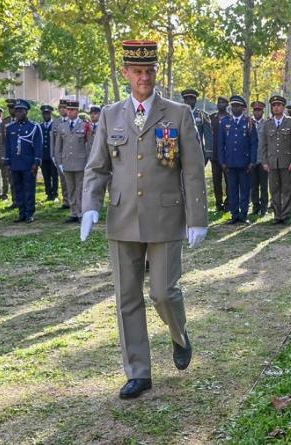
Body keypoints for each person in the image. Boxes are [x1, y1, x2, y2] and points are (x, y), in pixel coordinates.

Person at [80, 40, 208, 400]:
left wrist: (197, 216)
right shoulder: (110, 115)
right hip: (122, 217)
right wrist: (90, 204)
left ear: (156, 72)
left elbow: (194, 170)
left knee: (164, 293)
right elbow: (97, 167)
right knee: (127, 298)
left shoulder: (178, 113)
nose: (144, 78)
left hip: (166, 216)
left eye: (149, 71)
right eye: (137, 72)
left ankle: (180, 335)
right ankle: (138, 371)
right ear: (126, 74)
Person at [259, 95, 291, 225]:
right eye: (274, 105)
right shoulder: (267, 124)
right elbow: (263, 145)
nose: (276, 107)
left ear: (283, 107)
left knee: (287, 189)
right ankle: (277, 215)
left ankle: (286, 215)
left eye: (278, 105)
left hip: (286, 162)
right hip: (272, 163)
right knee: (274, 190)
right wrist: (264, 162)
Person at [219, 95, 258, 224]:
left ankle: (243, 214)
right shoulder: (225, 122)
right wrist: (222, 161)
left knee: (245, 190)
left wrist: (252, 161)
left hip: (245, 163)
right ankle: (234, 215)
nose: (235, 108)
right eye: (233, 106)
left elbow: (254, 143)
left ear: (243, 108)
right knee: (232, 190)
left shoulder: (249, 122)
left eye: (238, 106)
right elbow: (221, 144)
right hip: (230, 162)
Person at [4, 99, 42, 223]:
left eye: (21, 111)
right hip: (16, 163)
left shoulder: (34, 127)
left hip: (28, 164)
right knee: (18, 189)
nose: (18, 113)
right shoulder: (10, 128)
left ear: (26, 112)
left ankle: (29, 213)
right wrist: (8, 162)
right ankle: (21, 213)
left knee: (29, 189)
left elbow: (38, 146)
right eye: (16, 111)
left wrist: (36, 163)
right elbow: (8, 146)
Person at [54, 99, 91, 223]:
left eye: (73, 110)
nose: (70, 112)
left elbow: (89, 145)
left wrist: (89, 162)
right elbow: (58, 146)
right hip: (67, 162)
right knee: (70, 188)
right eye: (68, 109)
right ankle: (73, 212)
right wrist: (59, 162)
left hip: (81, 162)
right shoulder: (61, 126)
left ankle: (81, 213)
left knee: (80, 188)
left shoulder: (84, 125)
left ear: (77, 111)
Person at [209, 96, 230, 211]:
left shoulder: (230, 118)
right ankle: (218, 203)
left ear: (227, 105)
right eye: (219, 102)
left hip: (227, 156)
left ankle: (228, 203)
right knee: (216, 180)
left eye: (223, 103)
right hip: (215, 155)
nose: (220, 104)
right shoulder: (211, 118)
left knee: (228, 181)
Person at [181, 89, 213, 162]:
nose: (188, 101)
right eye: (186, 99)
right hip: (182, 152)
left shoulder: (202, 115)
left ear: (195, 100)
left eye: (191, 99)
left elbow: (208, 136)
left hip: (197, 151)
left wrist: (208, 152)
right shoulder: (179, 115)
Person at [250, 100, 269, 216]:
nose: (257, 112)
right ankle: (255, 207)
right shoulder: (249, 123)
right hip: (252, 160)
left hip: (263, 160)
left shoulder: (267, 124)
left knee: (264, 185)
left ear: (263, 111)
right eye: (255, 110)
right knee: (253, 185)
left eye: (259, 110)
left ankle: (264, 208)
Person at [52, 99, 71, 209]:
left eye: (65, 108)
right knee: (63, 179)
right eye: (61, 108)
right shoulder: (56, 123)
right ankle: (66, 200)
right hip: (60, 155)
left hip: (72, 155)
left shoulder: (73, 121)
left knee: (73, 179)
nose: (62, 110)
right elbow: (52, 141)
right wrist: (53, 155)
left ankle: (75, 199)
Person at [39, 105, 59, 202]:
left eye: (48, 113)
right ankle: (48, 193)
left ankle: (54, 193)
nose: (46, 115)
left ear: (51, 114)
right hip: (44, 155)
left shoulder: (55, 125)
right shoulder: (40, 126)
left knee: (54, 175)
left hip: (53, 155)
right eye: (44, 113)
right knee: (46, 175)